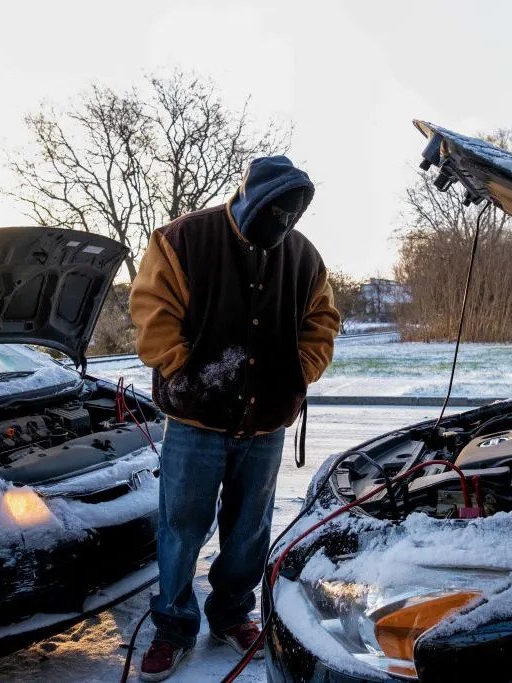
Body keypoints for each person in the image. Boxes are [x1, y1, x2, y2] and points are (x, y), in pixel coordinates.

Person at [129, 155, 340, 680]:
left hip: (266, 421)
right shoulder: (181, 240)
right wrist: (184, 372)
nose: (281, 224)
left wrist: (298, 372)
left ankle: (231, 614)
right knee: (181, 528)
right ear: (249, 197)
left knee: (249, 530)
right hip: (195, 421)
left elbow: (322, 322)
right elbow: (152, 311)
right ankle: (174, 625)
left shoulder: (303, 256)